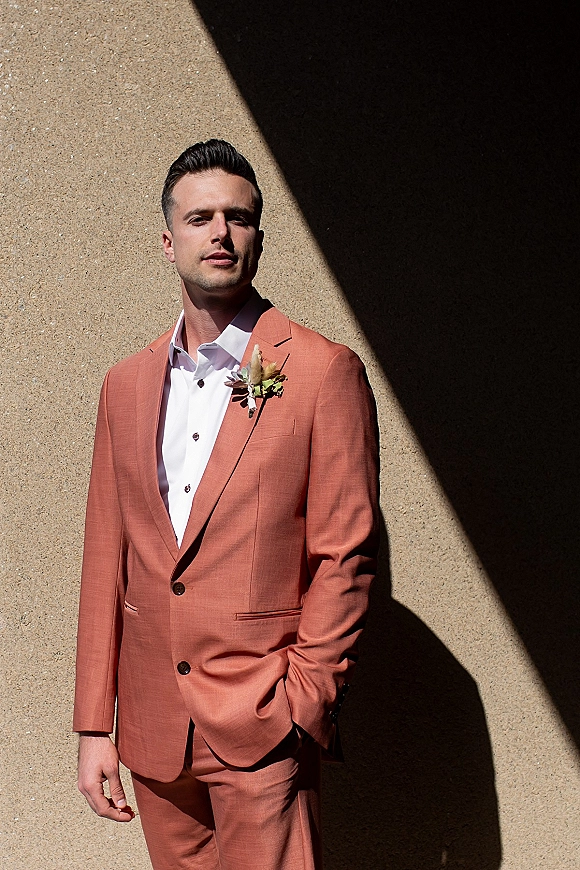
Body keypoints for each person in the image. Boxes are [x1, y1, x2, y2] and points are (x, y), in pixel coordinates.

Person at [74, 139, 379, 870]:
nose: (220, 233)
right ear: (168, 239)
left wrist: (303, 700)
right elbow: (105, 557)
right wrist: (93, 724)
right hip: (152, 732)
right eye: (201, 216)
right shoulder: (126, 384)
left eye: (238, 218)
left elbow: (347, 553)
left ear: (259, 240)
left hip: (263, 723)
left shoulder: (320, 371)